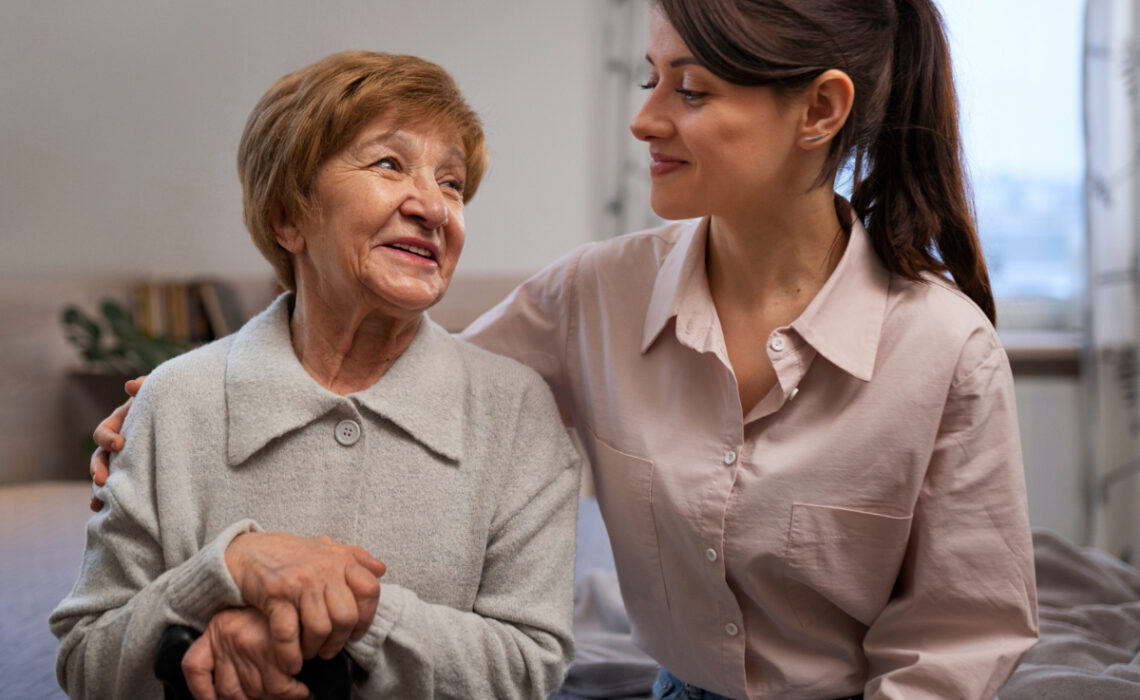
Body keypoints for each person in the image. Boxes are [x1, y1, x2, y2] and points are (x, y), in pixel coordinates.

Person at [90, 1, 1039, 698]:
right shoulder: (591, 294)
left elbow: (959, 639)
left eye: (691, 89)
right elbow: (407, 384)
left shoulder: (946, 350)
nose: (645, 118)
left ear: (820, 112)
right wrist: (175, 414)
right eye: (649, 79)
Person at [52, 50, 581, 700]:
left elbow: (528, 670)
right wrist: (228, 569)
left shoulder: (517, 410)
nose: (436, 208)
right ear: (288, 219)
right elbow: (86, 664)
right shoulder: (176, 400)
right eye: (389, 163)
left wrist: (354, 612)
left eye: (452, 183)